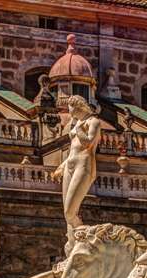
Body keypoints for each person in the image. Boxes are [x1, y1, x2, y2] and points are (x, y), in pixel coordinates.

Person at [52, 95, 100, 255]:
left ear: (78, 107)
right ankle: (72, 246)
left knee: (70, 212)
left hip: (84, 165)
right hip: (70, 165)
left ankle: (86, 241)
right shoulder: (77, 122)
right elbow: (74, 148)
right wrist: (62, 165)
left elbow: (88, 144)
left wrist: (79, 130)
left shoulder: (93, 122)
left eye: (71, 109)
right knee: (67, 212)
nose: (69, 113)